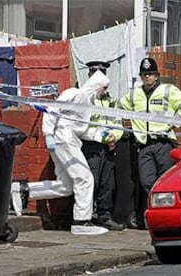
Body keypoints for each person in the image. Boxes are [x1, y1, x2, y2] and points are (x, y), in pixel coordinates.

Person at [25, 70, 111, 235]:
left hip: (66, 141)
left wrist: (100, 135)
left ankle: (22, 191)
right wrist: (48, 133)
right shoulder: (75, 93)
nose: (104, 92)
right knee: (84, 178)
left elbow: (82, 131)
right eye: (104, 87)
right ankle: (81, 222)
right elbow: (52, 109)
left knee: (66, 186)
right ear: (96, 85)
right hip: (64, 140)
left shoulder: (88, 105)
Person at [118, 57, 181, 228]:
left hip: (164, 143)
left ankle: (168, 218)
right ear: (140, 76)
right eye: (144, 74)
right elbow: (118, 107)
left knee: (166, 180)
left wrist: (174, 122)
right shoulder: (134, 94)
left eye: (151, 74)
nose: (148, 77)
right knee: (147, 181)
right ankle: (157, 213)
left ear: (157, 75)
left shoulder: (168, 90)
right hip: (144, 146)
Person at [81, 61, 125, 231]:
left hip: (108, 147)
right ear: (90, 76)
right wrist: (102, 137)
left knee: (108, 183)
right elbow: (82, 124)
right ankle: (86, 216)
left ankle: (104, 215)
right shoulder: (84, 98)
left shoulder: (111, 100)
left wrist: (114, 137)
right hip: (91, 145)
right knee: (91, 181)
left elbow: (118, 122)